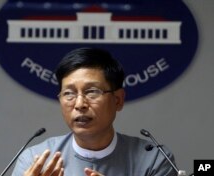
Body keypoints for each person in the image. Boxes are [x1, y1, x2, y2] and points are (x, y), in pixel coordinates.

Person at [11, 48, 177, 176]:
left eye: (92, 92)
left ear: (118, 100)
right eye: (69, 93)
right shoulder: (36, 160)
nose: (79, 104)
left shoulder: (153, 160)